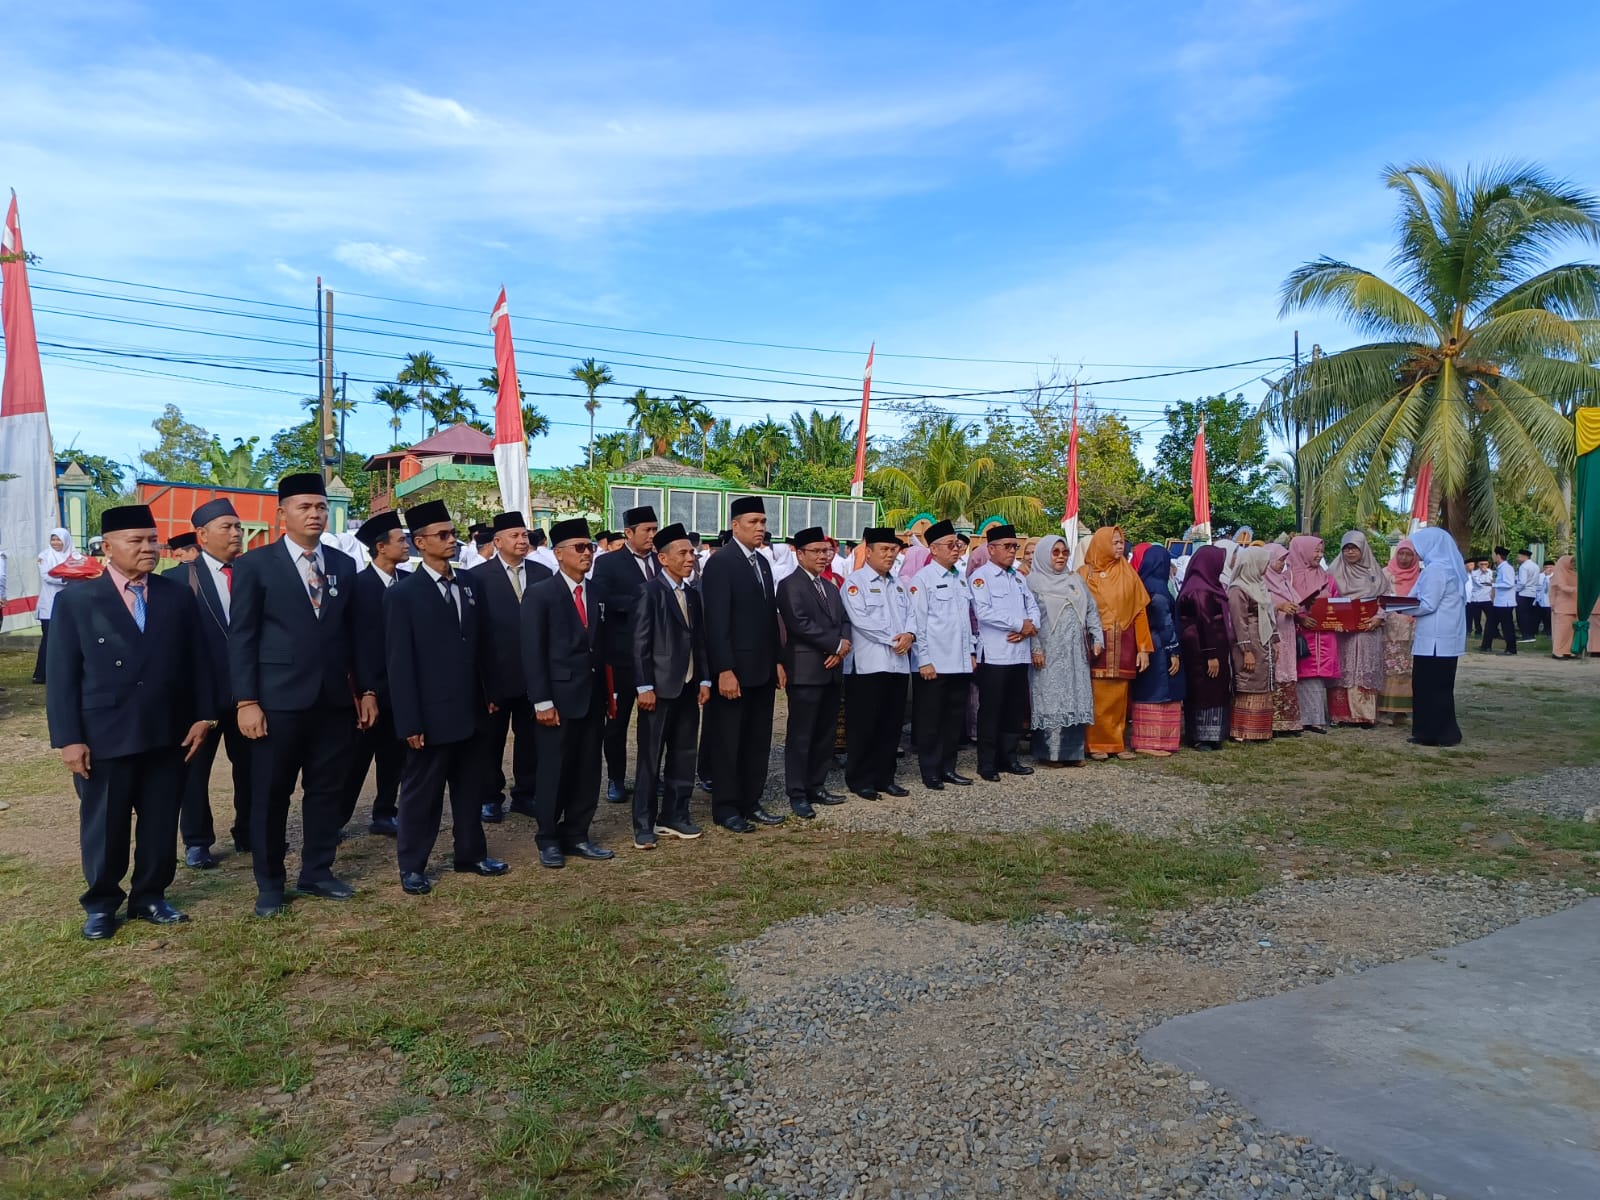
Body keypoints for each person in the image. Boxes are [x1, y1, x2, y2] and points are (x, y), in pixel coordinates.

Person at [45, 505, 215, 939]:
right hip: (105, 733)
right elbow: (62, 677)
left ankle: (151, 895)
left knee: (160, 820)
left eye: (152, 539)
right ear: (107, 547)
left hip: (167, 730)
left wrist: (203, 715)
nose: (148, 548)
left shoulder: (175, 595)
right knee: (105, 823)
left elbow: (198, 660)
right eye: (136, 541)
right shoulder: (78, 601)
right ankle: (101, 903)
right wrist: (69, 739)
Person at [229, 473, 378, 918]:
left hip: (333, 701)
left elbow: (357, 634)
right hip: (277, 702)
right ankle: (270, 883)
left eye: (319, 506)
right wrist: (246, 701)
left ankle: (317, 871)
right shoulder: (255, 565)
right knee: (271, 795)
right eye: (304, 507)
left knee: (326, 791)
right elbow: (242, 638)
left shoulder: (342, 564)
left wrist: (366, 689)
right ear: (282, 515)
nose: (314, 514)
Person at [385, 500, 506, 894]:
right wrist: (410, 722)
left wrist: (489, 693)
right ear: (420, 542)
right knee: (423, 794)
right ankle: (413, 865)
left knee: (471, 786)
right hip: (430, 715)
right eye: (443, 535)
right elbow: (399, 665)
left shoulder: (469, 584)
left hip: (471, 709)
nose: (452, 540)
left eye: (452, 533)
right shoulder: (404, 594)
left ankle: (470, 854)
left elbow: (482, 645)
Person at [522, 518, 615, 867]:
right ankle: (547, 837)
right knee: (554, 770)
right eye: (579, 547)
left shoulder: (597, 592)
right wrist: (542, 700)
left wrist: (610, 694)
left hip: (592, 697)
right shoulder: (542, 593)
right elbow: (532, 651)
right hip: (557, 700)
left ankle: (577, 832)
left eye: (590, 546)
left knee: (588, 769)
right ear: (559, 554)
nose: (587, 553)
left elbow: (601, 647)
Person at [165, 498, 250, 869]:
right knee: (194, 771)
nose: (236, 533)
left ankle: (249, 831)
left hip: (247, 694)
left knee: (251, 768)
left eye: (238, 527)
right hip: (199, 697)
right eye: (227, 527)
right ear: (201, 535)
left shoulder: (253, 572)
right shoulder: (177, 581)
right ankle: (197, 839)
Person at [699, 497, 787, 832]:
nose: (760, 528)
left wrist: (778, 660)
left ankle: (751, 801)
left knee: (756, 739)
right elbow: (716, 622)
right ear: (736, 525)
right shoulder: (723, 563)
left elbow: (768, 618)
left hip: (762, 669)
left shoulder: (763, 563)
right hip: (734, 670)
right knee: (728, 741)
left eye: (763, 521)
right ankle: (726, 808)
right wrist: (724, 669)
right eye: (753, 522)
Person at [631, 523, 711, 847]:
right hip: (659, 689)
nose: (690, 557)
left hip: (689, 687)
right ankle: (643, 823)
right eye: (683, 552)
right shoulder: (649, 591)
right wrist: (644, 686)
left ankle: (675, 815)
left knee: (684, 754)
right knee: (650, 758)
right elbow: (639, 644)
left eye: (692, 551)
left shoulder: (691, 593)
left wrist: (704, 677)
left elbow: (699, 640)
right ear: (663, 559)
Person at [474, 510, 552, 825]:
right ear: (498, 541)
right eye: (515, 536)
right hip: (496, 675)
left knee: (530, 738)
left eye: (525, 535)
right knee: (489, 741)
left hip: (533, 675)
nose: (522, 541)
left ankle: (526, 793)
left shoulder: (542, 573)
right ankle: (490, 797)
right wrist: (483, 682)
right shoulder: (478, 578)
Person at [776, 527, 852, 817]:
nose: (823, 556)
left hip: (832, 669)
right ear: (799, 553)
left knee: (825, 732)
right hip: (807, 670)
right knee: (801, 734)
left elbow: (844, 619)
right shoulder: (790, 585)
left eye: (826, 551)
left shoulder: (830, 586)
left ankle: (816, 785)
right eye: (817, 552)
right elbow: (799, 623)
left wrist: (842, 645)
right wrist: (834, 645)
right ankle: (797, 792)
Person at [343, 510, 410, 839]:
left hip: (401, 689)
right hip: (367, 689)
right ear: (381, 547)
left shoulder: (409, 582)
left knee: (394, 758)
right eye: (401, 540)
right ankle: (335, 819)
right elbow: (354, 643)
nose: (407, 544)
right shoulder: (357, 586)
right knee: (354, 761)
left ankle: (385, 812)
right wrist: (364, 690)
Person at [591, 505, 659, 805]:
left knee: (654, 724)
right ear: (629, 533)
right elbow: (603, 598)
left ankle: (650, 778)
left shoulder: (662, 560)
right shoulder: (608, 563)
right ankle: (616, 778)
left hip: (657, 657)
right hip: (622, 657)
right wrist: (643, 602)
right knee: (617, 724)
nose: (652, 536)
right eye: (646, 530)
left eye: (655, 530)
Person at [840, 527, 913, 800]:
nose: (890, 555)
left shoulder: (899, 584)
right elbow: (862, 621)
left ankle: (885, 777)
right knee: (864, 725)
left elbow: (912, 616)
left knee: (890, 725)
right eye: (884, 549)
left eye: (893, 550)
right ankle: (861, 779)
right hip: (868, 666)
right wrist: (897, 639)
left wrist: (911, 634)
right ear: (868, 551)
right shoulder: (855, 583)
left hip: (897, 664)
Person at [969, 523, 1039, 781]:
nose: (1012, 551)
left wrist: (1029, 628)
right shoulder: (981, 577)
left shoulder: (1019, 577)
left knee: (1014, 708)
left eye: (1015, 546)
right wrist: (1020, 624)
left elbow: (1032, 607)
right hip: (996, 654)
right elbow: (984, 611)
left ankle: (1009, 757)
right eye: (1007, 546)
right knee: (992, 709)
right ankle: (987, 762)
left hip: (1020, 653)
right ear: (991, 549)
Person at [908, 520, 975, 788]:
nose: (956, 549)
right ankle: (931, 772)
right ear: (933, 549)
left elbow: (965, 619)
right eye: (950, 545)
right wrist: (923, 660)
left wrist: (970, 651)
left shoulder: (960, 576)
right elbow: (917, 623)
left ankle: (949, 768)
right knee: (931, 720)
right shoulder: (922, 580)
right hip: (934, 662)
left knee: (953, 720)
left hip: (958, 661)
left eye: (958, 544)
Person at [1024, 534, 1100, 766]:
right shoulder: (1033, 582)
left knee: (1074, 698)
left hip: (1075, 652)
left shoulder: (1075, 580)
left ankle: (1073, 753)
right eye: (1055, 552)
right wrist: (1035, 648)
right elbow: (1029, 617)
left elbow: (1091, 610)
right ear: (1044, 554)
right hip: (1048, 651)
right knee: (1051, 698)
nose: (1060, 557)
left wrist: (1097, 637)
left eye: (1064, 552)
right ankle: (1051, 753)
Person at [1077, 526, 1152, 761]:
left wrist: (1144, 648)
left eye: (1122, 542)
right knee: (1096, 695)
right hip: (1095, 642)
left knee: (1120, 695)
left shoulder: (1129, 574)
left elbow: (1139, 612)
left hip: (1124, 642)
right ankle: (1094, 743)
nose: (1120, 546)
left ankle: (1116, 743)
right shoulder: (1083, 574)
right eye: (1115, 542)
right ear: (1101, 544)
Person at [1406, 528, 1467, 746]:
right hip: (1446, 639)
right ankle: (1444, 732)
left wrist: (1402, 608)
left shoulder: (1436, 570)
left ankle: (1431, 733)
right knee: (1441, 688)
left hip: (1433, 640)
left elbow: (1428, 604)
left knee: (1427, 688)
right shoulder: (1452, 568)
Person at [1129, 543, 1185, 756]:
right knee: (1159, 691)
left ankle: (1149, 740)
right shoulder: (1159, 589)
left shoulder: (1142, 583)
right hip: (1159, 645)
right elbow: (1165, 622)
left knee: (1149, 689)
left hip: (1146, 643)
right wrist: (1174, 651)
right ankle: (1151, 743)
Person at [1327, 531, 1386, 727]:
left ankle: (1365, 715)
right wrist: (1338, 619)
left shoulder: (1375, 572)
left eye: (1354, 548)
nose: (1350, 552)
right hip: (1344, 631)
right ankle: (1341, 715)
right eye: (1346, 549)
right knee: (1345, 667)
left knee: (1365, 666)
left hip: (1369, 629)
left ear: (1363, 549)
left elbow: (1385, 600)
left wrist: (1378, 618)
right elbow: (1327, 599)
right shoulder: (1333, 571)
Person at [1177, 545, 1233, 750]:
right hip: (1202, 649)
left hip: (1213, 647)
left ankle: (1212, 734)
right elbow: (1205, 622)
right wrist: (1210, 654)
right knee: (1204, 690)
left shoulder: (1209, 585)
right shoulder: (1199, 590)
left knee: (1214, 689)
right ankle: (1201, 736)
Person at [1225, 546, 1277, 743]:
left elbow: (1269, 616)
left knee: (1261, 682)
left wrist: (1274, 641)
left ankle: (1259, 730)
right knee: (1248, 680)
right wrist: (1246, 650)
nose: (1265, 568)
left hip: (1262, 642)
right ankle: (1243, 730)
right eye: (1263, 564)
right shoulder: (1238, 589)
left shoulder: (1259, 585)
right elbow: (1239, 622)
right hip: (1248, 644)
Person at [1288, 535, 1338, 732]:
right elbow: (1281, 602)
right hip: (1301, 634)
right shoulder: (1289, 578)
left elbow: (1336, 603)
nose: (1319, 555)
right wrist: (1300, 617)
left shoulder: (1327, 578)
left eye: (1320, 551)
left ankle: (1316, 718)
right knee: (1302, 675)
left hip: (1324, 635)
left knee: (1317, 676)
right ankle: (1299, 717)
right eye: (1315, 550)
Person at [1379, 538, 1421, 726]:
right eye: (1401, 554)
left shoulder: (1420, 576)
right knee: (1389, 667)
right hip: (1391, 627)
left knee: (1407, 669)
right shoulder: (1386, 574)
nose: (1404, 558)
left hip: (1413, 628)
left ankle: (1402, 711)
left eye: (1409, 554)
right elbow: (1378, 599)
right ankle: (1383, 709)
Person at [1263, 544, 1303, 735]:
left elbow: (1297, 600)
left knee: (1287, 672)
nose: (1282, 564)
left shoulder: (1284, 580)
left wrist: (1294, 607)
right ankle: (1275, 722)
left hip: (1287, 631)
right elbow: (1257, 607)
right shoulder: (1261, 581)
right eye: (1279, 560)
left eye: (1283, 560)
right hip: (1272, 634)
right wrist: (1278, 606)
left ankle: (1290, 722)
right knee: (1276, 672)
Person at [33, 527, 75, 683]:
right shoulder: (44, 555)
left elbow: (84, 571)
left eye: (58, 539)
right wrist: (67, 579)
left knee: (69, 640)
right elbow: (47, 576)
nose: (55, 543)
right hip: (50, 605)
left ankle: (65, 672)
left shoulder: (74, 555)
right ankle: (41, 674)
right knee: (49, 639)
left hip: (70, 603)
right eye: (53, 539)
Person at [1483, 546, 1519, 654]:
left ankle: (1511, 648)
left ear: (1498, 556)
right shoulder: (1501, 568)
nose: (1493, 557)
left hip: (1505, 603)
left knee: (1507, 626)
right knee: (1490, 623)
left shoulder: (1506, 568)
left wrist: (1493, 584)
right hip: (1499, 602)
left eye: (1494, 555)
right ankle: (1486, 646)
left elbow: (1509, 584)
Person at [1550, 554, 1579, 659]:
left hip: (1574, 606)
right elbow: (1563, 587)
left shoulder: (1574, 574)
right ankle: (1557, 651)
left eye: (1573, 562)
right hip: (1562, 606)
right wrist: (1576, 589)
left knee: (1570, 630)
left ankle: (1568, 650)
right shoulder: (1559, 574)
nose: (1573, 564)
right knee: (1561, 630)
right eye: (1571, 562)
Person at [1514, 548, 1539, 642]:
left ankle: (1525, 634)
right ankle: (1531, 634)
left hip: (1523, 593)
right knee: (1530, 614)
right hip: (1532, 593)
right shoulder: (1535, 566)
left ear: (1524, 557)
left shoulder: (1524, 567)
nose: (1518, 558)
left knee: (1522, 615)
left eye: (1519, 556)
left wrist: (1516, 590)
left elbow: (1522, 582)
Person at [1466, 557, 1493, 636]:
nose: (1484, 566)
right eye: (1482, 564)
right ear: (1478, 564)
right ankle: (1478, 632)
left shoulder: (1490, 572)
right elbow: (1480, 583)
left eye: (1486, 564)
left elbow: (1492, 581)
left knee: (1491, 616)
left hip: (1487, 598)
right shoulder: (1474, 573)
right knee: (1477, 618)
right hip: (1476, 599)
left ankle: (1493, 631)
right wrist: (1484, 573)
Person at [1536, 562, 1553, 638]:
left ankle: (1549, 632)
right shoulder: (1539, 576)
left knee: (1549, 617)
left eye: (1550, 567)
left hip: (1550, 601)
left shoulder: (1555, 576)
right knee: (1542, 617)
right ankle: (1545, 631)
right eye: (1546, 567)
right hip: (1541, 599)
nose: (1549, 569)